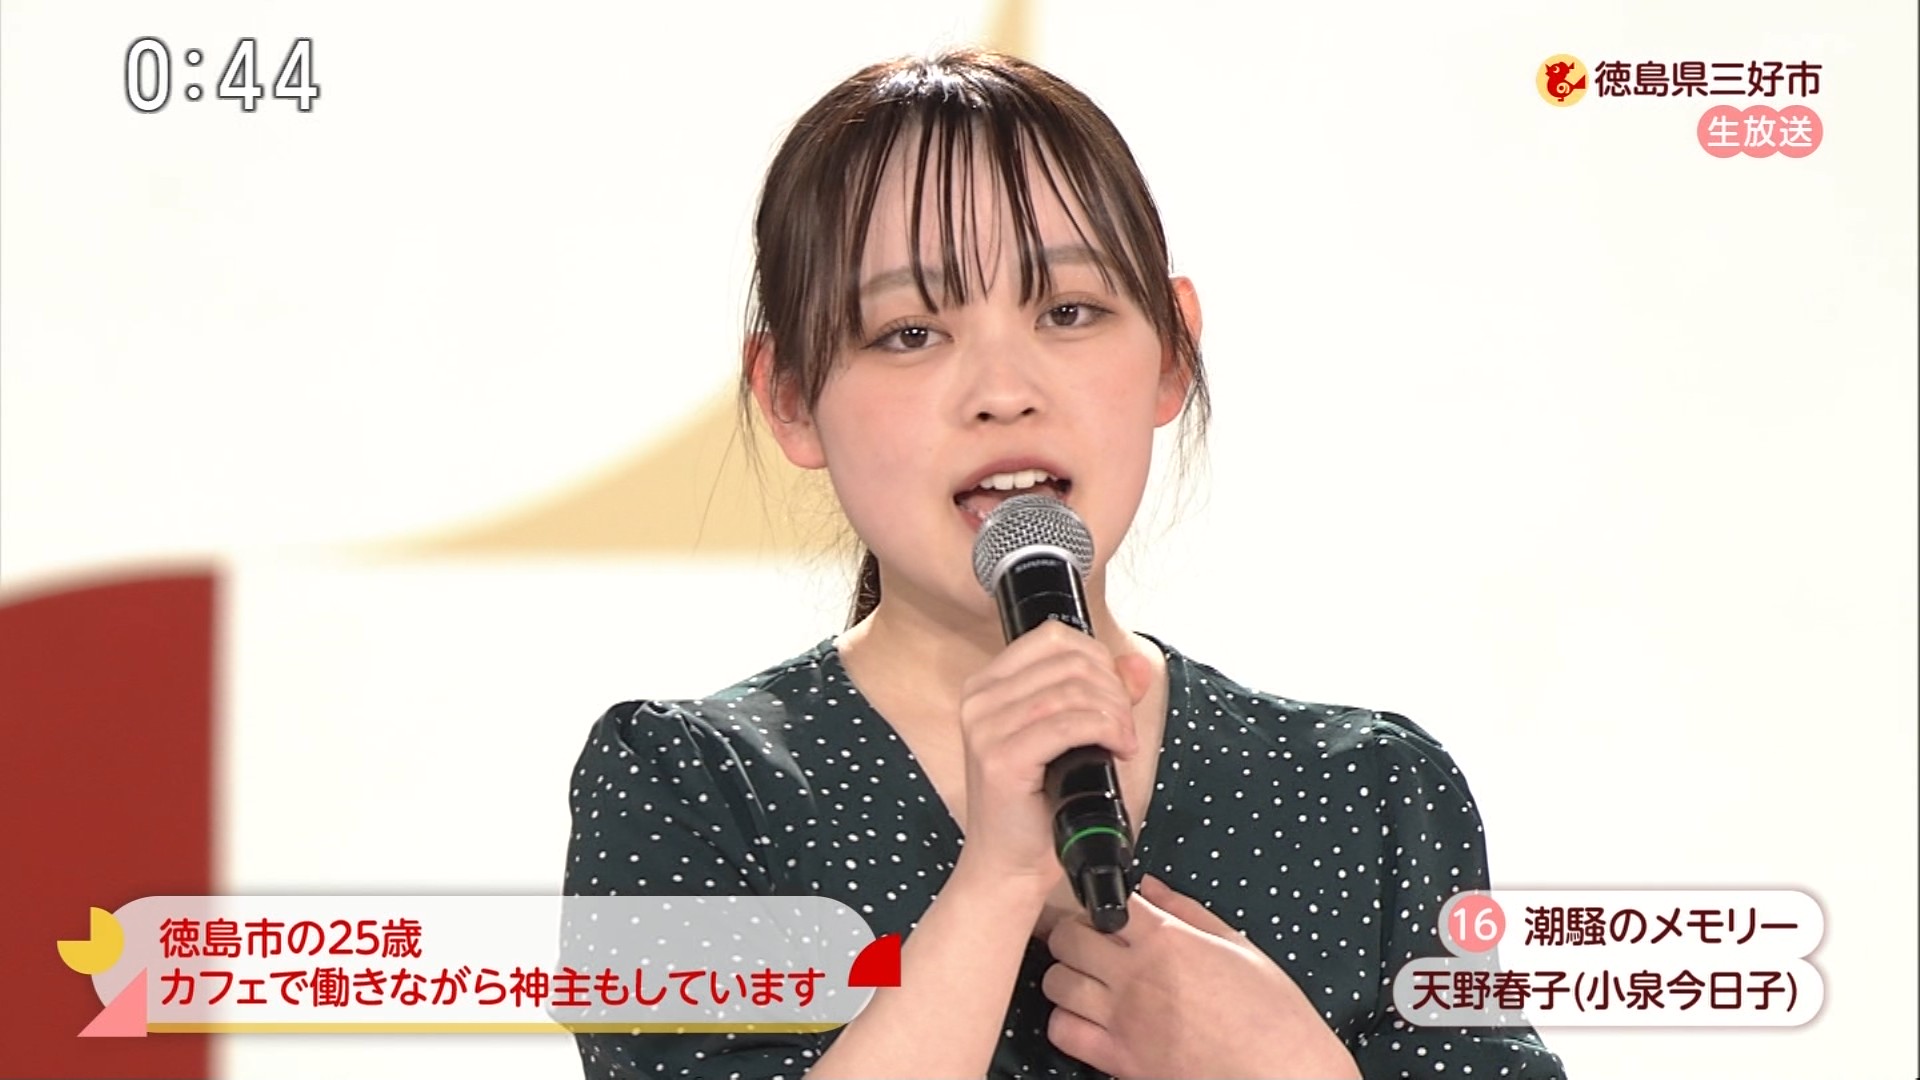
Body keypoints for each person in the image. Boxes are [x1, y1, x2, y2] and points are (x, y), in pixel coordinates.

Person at [563, 48, 1565, 1080]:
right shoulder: (690, 791)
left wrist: (1282, 1066)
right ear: (789, 396)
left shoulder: (1368, 794)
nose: (1004, 391)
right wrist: (995, 884)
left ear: (1173, 352)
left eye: (1067, 313)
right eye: (910, 333)